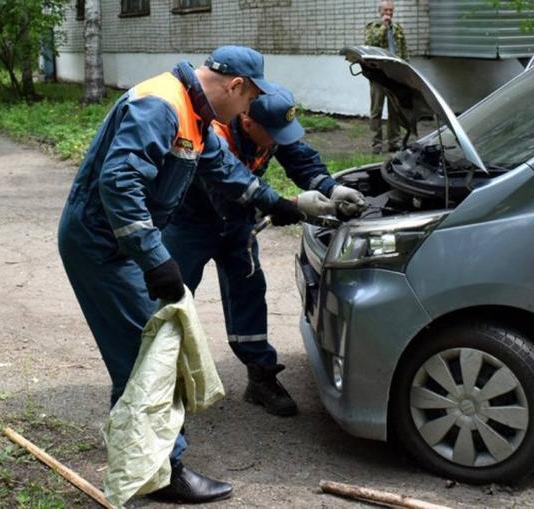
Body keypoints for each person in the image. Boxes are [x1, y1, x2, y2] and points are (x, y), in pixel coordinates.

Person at [57, 46, 325, 504]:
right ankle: (162, 471)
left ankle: (140, 456)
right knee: (147, 356)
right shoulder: (161, 105)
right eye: (246, 102)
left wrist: (283, 205)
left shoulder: (194, 115)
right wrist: (155, 259)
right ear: (236, 86)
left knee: (147, 351)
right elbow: (120, 183)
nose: (245, 111)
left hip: (121, 242)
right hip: (102, 245)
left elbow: (225, 171)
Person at [162, 85, 366, 417]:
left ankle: (260, 377)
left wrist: (332, 188)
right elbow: (229, 185)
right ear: (246, 118)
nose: (277, 141)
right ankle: (163, 380)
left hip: (237, 226)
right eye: (272, 134)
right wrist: (291, 205)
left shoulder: (270, 126)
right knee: (173, 299)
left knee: (250, 292)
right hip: (190, 224)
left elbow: (299, 157)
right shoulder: (213, 133)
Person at [365, 0, 410, 154]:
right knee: (376, 110)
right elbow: (370, 43)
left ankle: (394, 142)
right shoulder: (373, 27)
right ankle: (376, 144)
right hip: (378, 75)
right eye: (386, 10)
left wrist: (406, 71)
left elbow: (404, 51)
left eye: (391, 10)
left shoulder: (397, 28)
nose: (389, 13)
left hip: (395, 75)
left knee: (395, 110)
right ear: (380, 11)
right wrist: (383, 27)